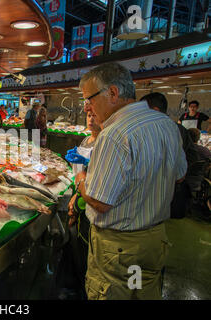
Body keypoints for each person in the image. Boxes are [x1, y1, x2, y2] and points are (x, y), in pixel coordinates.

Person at [69, 62, 187, 300]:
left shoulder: (113, 134)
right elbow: (180, 175)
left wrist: (80, 175)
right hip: (154, 241)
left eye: (89, 99)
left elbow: (100, 202)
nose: (87, 108)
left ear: (113, 93)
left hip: (119, 248)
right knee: (143, 293)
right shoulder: (167, 125)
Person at [62, 111, 102, 300]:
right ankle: (73, 284)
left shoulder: (105, 143)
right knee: (73, 244)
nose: (91, 119)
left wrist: (76, 199)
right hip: (78, 195)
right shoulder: (85, 141)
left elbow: (93, 182)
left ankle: (84, 288)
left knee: (86, 249)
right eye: (88, 116)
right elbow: (77, 173)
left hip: (89, 203)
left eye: (94, 115)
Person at [140, 92, 200, 219]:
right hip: (166, 191)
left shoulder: (172, 130)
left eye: (142, 111)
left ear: (155, 110)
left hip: (174, 191)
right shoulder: (172, 128)